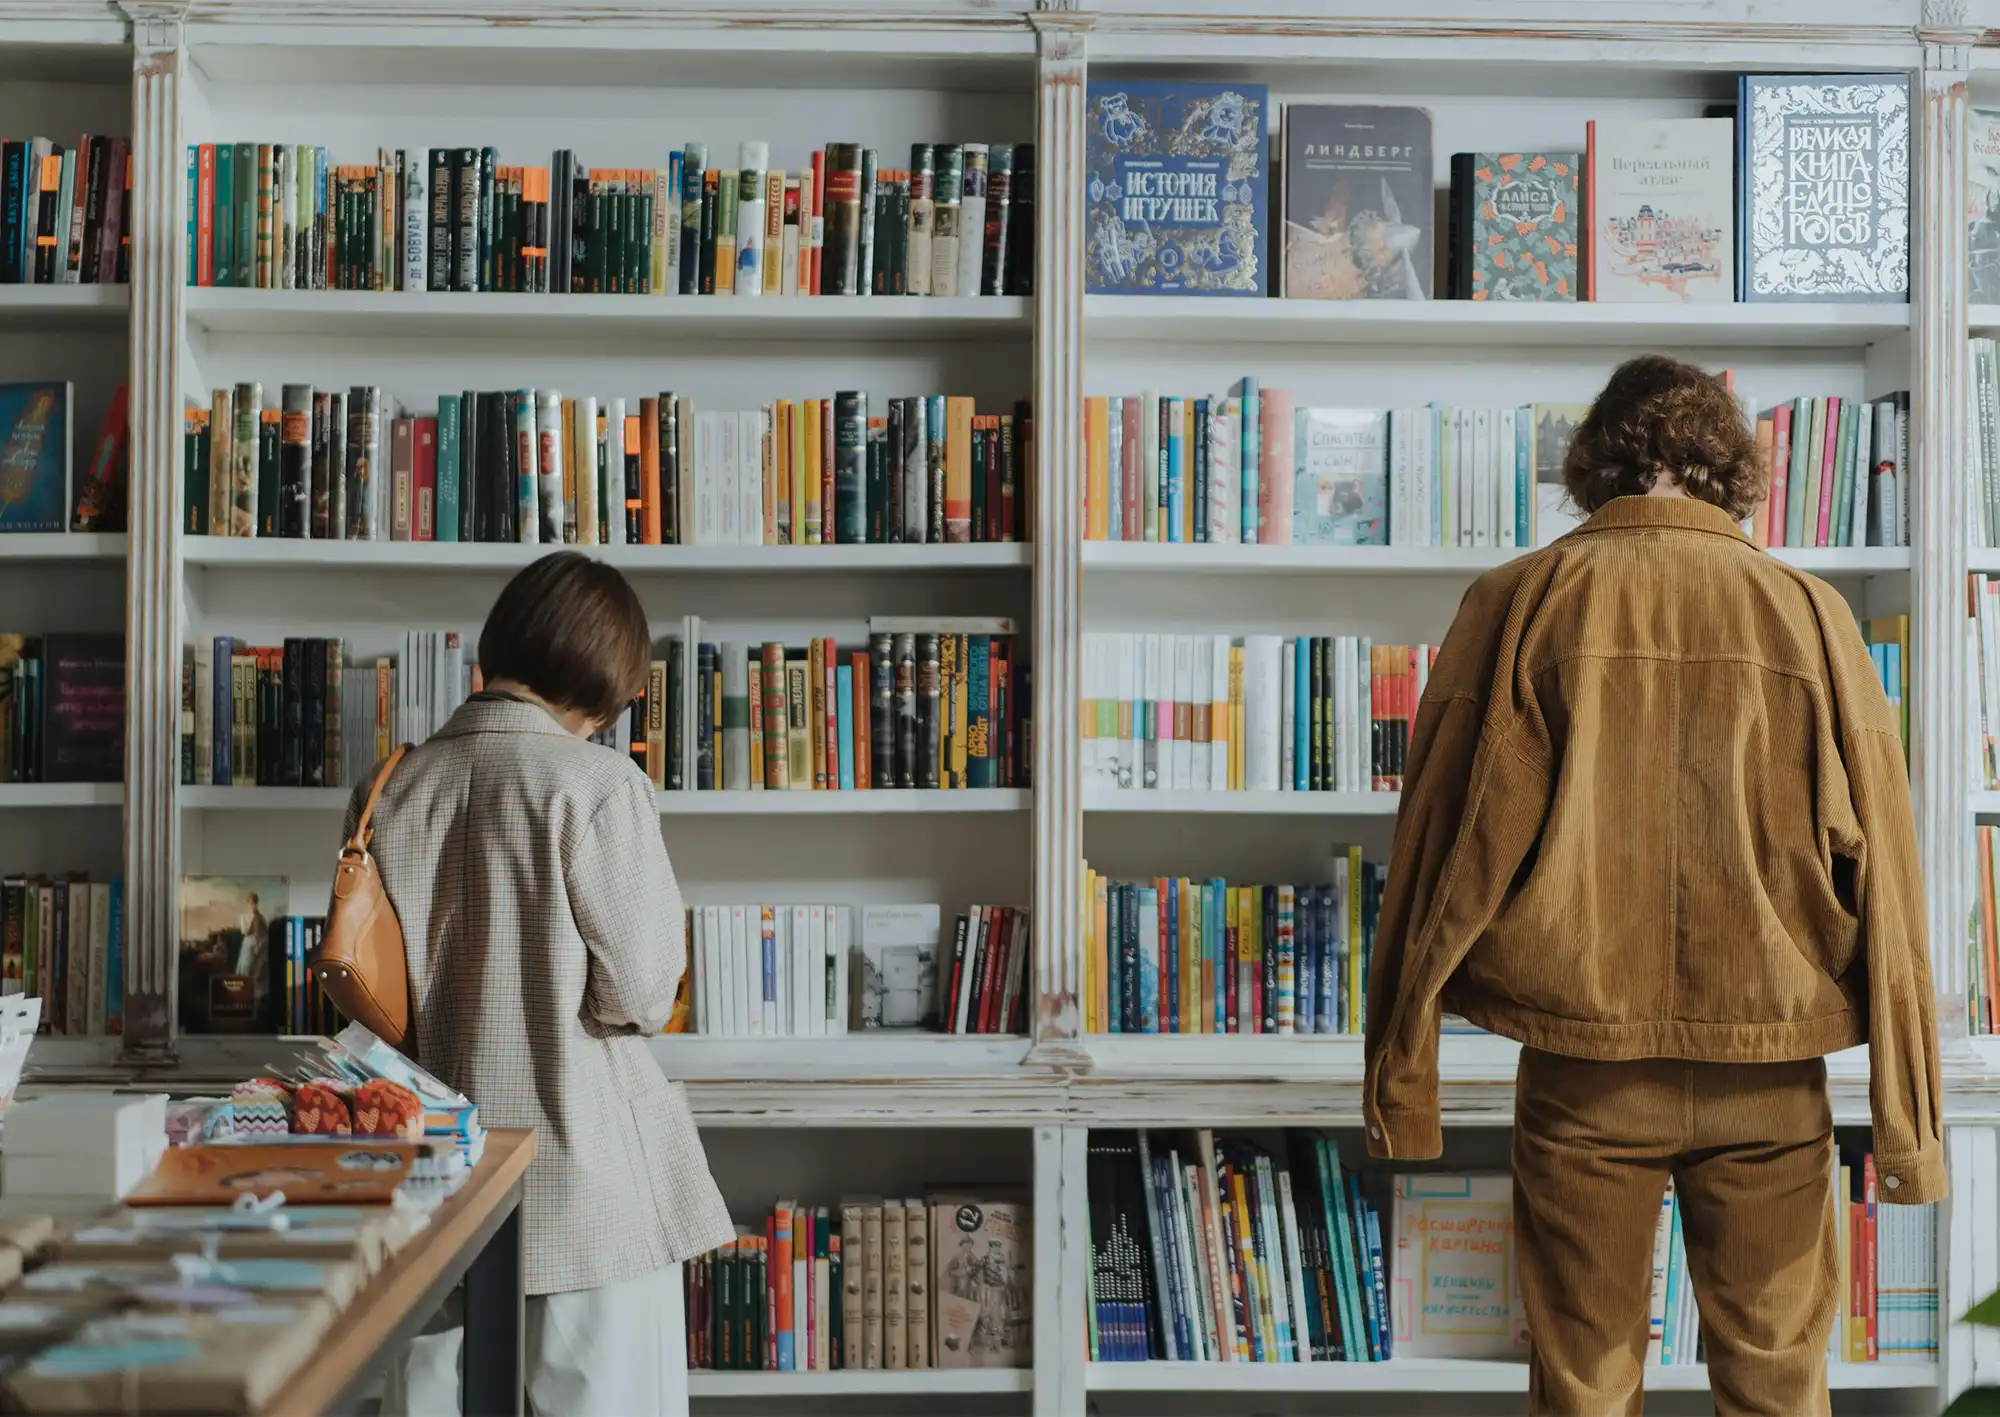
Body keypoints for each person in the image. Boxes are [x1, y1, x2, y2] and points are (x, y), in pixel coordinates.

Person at [1361, 355, 1943, 1415]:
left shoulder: (1518, 601)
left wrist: (1401, 1078)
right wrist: (1908, 1132)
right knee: (1776, 1385)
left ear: (1600, 465)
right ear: (1723, 468)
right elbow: (1889, 877)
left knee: (1583, 1386)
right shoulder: (1810, 614)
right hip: (1769, 1071)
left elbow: (1437, 850)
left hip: (1582, 1065)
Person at [359, 551, 731, 1417]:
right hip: (583, 1174)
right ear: (608, 680)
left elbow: (378, 990)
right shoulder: (600, 786)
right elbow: (641, 993)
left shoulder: (390, 785)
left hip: (429, 1178)